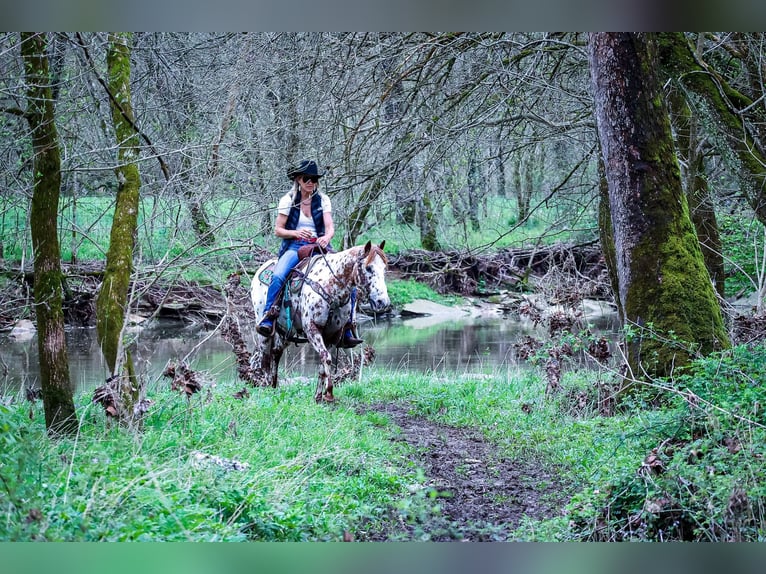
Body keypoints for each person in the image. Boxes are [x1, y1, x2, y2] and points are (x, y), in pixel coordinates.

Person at [256, 159, 363, 348]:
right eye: (307, 178)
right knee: (279, 275)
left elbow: (330, 228)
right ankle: (269, 316)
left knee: (349, 278)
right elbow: (278, 230)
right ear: (298, 179)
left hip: (319, 247)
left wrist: (326, 238)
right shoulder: (288, 200)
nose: (311, 182)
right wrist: (296, 233)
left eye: (314, 179)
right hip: (295, 247)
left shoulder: (323, 200)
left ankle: (347, 326)